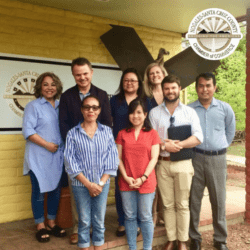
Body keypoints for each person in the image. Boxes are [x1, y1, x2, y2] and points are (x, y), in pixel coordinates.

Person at [59, 57, 112, 244]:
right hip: (77, 153)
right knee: (78, 193)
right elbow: (63, 124)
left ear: (91, 72)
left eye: (85, 73)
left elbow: (106, 121)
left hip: (98, 152)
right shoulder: (66, 96)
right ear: (73, 75)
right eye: (78, 74)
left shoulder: (102, 94)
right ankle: (77, 227)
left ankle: (96, 231)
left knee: (98, 192)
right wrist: (77, 144)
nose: (82, 77)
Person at [149, 75, 203, 250]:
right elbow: (151, 138)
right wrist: (165, 145)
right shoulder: (154, 113)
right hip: (163, 163)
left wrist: (179, 145)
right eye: (167, 88)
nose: (170, 91)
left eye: (173, 88)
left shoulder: (189, 112)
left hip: (183, 163)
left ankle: (182, 241)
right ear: (163, 90)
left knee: (182, 204)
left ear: (179, 88)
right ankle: (171, 239)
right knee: (168, 204)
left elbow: (198, 137)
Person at [64, 95, 119, 250]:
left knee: (99, 221)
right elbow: (70, 162)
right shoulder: (72, 134)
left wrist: (100, 184)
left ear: (99, 110)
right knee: (84, 221)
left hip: (102, 184)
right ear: (82, 110)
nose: (91, 110)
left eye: (94, 107)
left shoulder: (107, 132)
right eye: (87, 107)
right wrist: (88, 185)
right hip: (80, 185)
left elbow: (112, 159)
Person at [188, 73, 235, 250]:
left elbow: (230, 132)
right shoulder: (190, 109)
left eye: (208, 85)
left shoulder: (225, 109)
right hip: (195, 158)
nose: (205, 89)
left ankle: (220, 239)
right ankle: (194, 238)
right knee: (194, 199)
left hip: (218, 159)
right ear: (196, 88)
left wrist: (219, 147)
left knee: (218, 200)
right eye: (201, 85)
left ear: (214, 87)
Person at [22, 72, 66, 243]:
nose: (49, 87)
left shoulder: (62, 106)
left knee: (55, 190)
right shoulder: (33, 106)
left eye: (53, 84)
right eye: (46, 84)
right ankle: (40, 226)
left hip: (57, 157)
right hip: (38, 156)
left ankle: (52, 223)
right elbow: (28, 131)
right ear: (40, 87)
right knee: (39, 192)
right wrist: (47, 144)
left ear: (58, 87)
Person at [110, 68, 153, 237]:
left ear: (138, 83)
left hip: (140, 147)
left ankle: (140, 222)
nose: (129, 83)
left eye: (133, 80)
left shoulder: (146, 101)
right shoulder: (115, 100)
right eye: (126, 80)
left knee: (141, 185)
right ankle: (123, 221)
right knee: (121, 184)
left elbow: (150, 123)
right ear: (122, 82)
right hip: (120, 145)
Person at [116, 98, 161, 250]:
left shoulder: (152, 134)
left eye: (139, 112)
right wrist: (126, 177)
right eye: (132, 113)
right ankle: (132, 247)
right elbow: (118, 159)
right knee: (129, 217)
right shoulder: (122, 134)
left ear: (145, 114)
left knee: (146, 216)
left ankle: (147, 247)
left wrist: (143, 178)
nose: (135, 116)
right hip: (126, 181)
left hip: (146, 181)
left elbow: (154, 158)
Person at [144, 62, 168, 227]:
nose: (155, 75)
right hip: (151, 144)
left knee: (165, 184)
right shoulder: (145, 96)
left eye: (157, 72)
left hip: (168, 144)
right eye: (151, 73)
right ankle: (152, 215)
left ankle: (164, 215)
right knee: (153, 182)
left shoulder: (170, 93)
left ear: (163, 73)